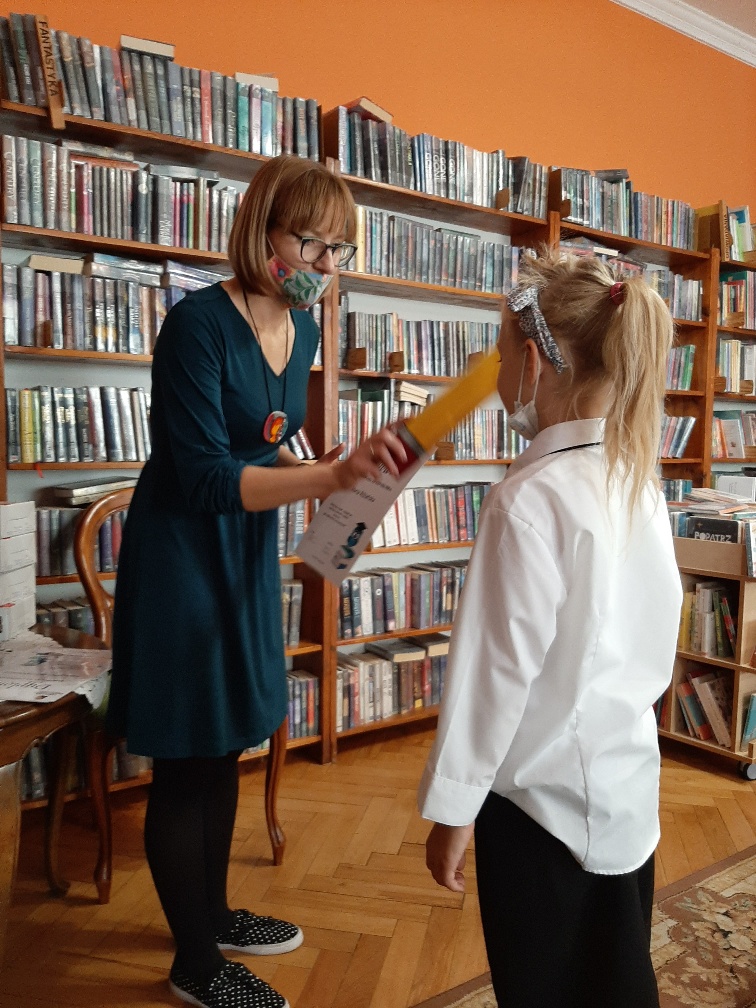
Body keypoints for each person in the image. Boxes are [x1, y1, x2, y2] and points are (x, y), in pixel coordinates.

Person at [107, 155, 407, 1008]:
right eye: (311, 244)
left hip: (240, 553)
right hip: (180, 557)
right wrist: (327, 477)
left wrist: (333, 472)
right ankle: (194, 964)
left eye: (339, 250)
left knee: (228, 742)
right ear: (262, 231)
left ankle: (212, 915)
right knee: (186, 755)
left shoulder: (303, 331)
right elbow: (205, 474)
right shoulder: (196, 325)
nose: (324, 266)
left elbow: (262, 443)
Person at [417, 248, 682, 1008]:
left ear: (534, 362)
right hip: (628, 789)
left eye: (502, 356)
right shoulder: (636, 480)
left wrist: (453, 811)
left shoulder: (527, 501)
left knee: (544, 982)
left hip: (539, 813)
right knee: (618, 969)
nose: (498, 371)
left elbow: (491, 678)